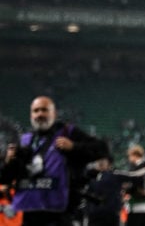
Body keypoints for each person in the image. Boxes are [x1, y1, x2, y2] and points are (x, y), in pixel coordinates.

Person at [0, 96, 108, 226]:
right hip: (29, 210)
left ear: (54, 114)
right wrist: (8, 162)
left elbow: (102, 149)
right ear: (31, 114)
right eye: (36, 110)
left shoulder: (68, 132)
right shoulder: (26, 139)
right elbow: (6, 178)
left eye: (44, 110)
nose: (40, 114)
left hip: (59, 213)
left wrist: (74, 147)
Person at [120, 145, 145, 226]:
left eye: (129, 156)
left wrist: (125, 191)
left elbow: (135, 185)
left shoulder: (139, 167)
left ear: (134, 155)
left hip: (137, 204)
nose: (129, 158)